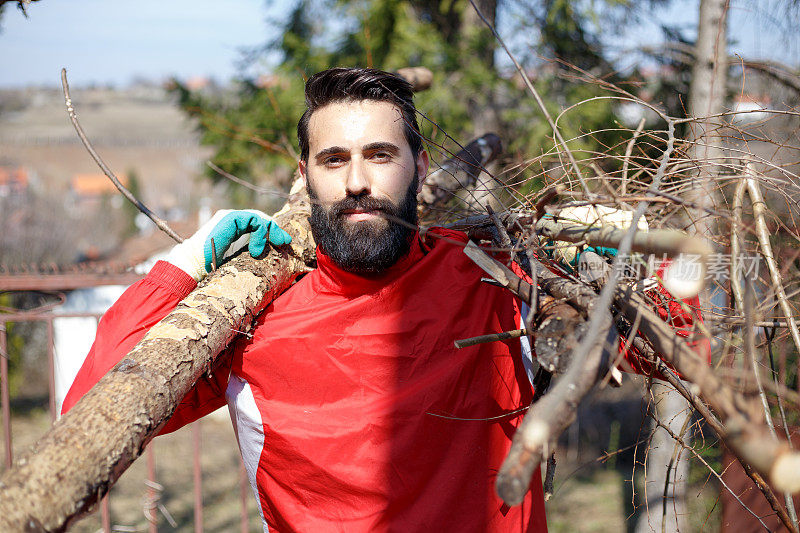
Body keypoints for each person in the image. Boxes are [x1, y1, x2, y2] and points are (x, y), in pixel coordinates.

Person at [63, 68, 700, 532]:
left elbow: (682, 341)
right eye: (333, 159)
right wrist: (189, 259)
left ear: (419, 168)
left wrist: (633, 268)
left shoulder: (495, 276)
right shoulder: (256, 311)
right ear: (305, 177)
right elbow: (91, 411)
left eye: (380, 155)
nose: (359, 181)